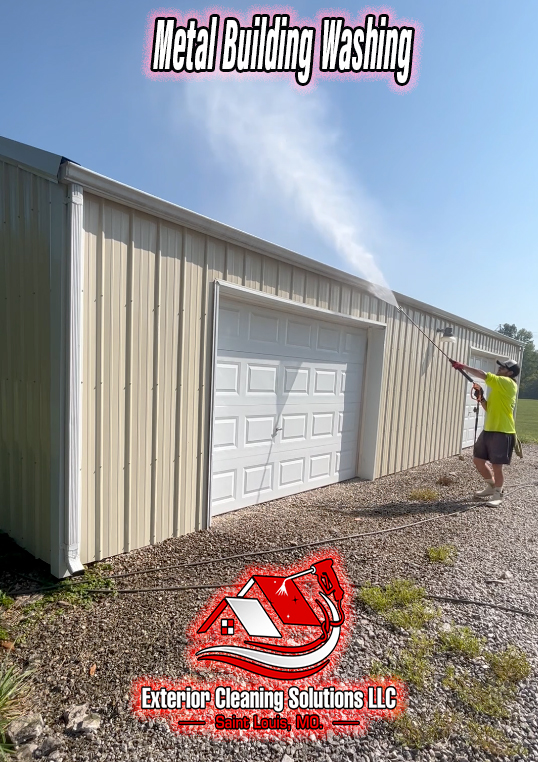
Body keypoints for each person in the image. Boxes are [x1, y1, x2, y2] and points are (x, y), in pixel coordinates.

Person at [450, 359, 520, 507]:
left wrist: (462, 366)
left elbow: (482, 374)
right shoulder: (499, 387)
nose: (499, 368)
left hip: (503, 431)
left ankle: (498, 494)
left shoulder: (507, 383)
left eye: (503, 367)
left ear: (511, 373)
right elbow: (489, 408)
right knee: (478, 461)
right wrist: (481, 397)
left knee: (497, 466)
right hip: (489, 429)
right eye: (500, 366)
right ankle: (491, 486)